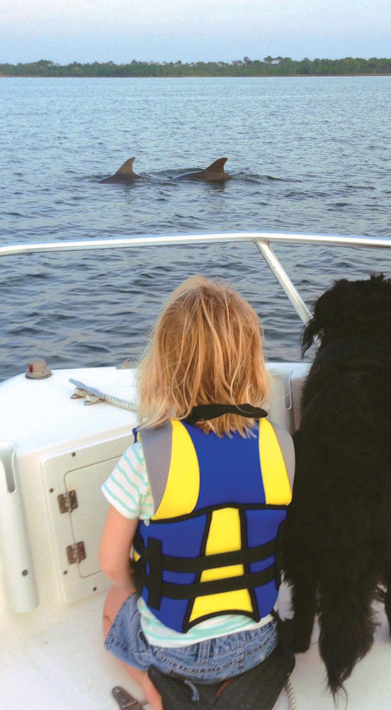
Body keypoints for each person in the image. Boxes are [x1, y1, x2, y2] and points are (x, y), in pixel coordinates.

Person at [99, 277, 294, 709]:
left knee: (112, 606)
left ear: (163, 366)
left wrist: (145, 591)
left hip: (174, 651)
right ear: (251, 365)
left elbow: (110, 563)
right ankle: (233, 686)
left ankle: (158, 694)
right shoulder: (280, 448)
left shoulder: (144, 458)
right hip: (256, 644)